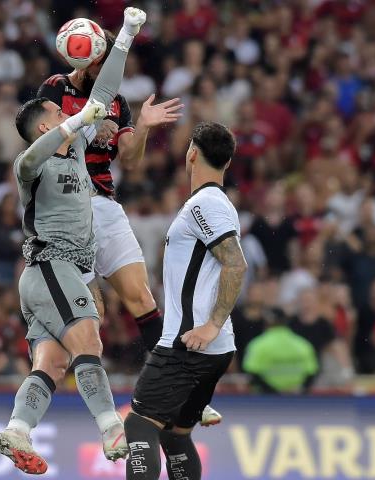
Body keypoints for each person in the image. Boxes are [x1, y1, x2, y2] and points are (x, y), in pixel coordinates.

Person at [37, 10, 221, 428]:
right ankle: (87, 414)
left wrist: (137, 129)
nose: (96, 66)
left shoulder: (118, 103)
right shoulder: (54, 87)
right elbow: (42, 134)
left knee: (141, 298)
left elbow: (131, 163)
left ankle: (182, 392)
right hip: (63, 209)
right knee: (90, 318)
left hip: (102, 203)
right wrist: (85, 125)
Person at [0, 7, 149, 475]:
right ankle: (110, 428)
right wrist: (73, 123)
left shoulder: (76, 147)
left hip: (52, 276)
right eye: (58, 113)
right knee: (89, 345)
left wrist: (126, 36)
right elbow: (43, 144)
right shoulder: (29, 164)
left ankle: (17, 430)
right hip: (52, 266)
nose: (67, 113)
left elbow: (105, 89)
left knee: (52, 366)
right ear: (43, 125)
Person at [124, 122, 247, 480]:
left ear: (191, 152)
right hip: (214, 348)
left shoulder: (203, 205)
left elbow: (236, 264)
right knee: (175, 436)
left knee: (140, 426)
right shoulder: (218, 204)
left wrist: (210, 325)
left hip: (188, 343)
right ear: (226, 162)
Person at [242, 307, 318, 393]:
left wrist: (275, 393)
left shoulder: (258, 345)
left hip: (266, 400)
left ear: (266, 322)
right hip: (297, 399)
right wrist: (299, 390)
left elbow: (252, 373)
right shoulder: (303, 344)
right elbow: (312, 372)